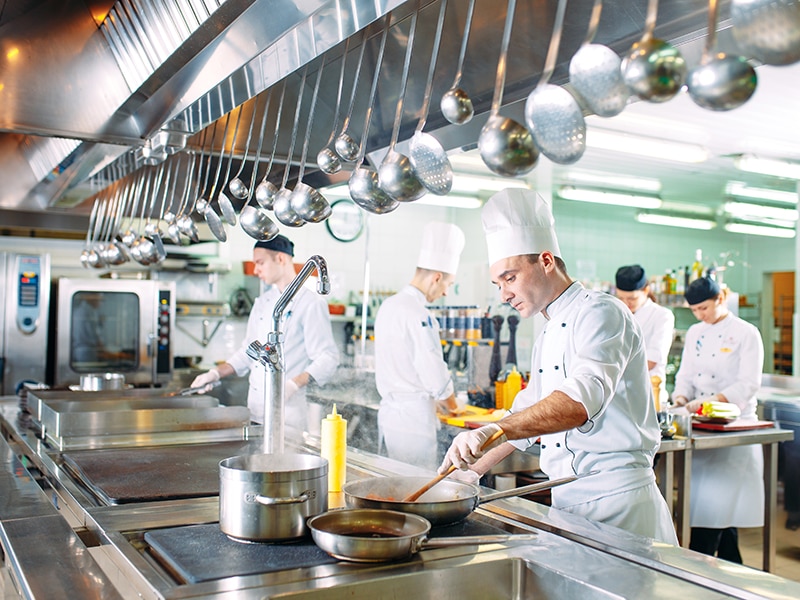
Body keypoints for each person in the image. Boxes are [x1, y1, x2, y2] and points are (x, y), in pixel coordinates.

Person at [438, 188, 678, 545]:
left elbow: (577, 404)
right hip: (571, 504)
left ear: (546, 260)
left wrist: (494, 430)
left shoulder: (602, 312)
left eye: (510, 277)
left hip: (619, 508)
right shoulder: (549, 330)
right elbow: (528, 415)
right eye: (497, 283)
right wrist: (467, 471)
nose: (503, 294)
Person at [192, 236, 339, 430]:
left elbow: (328, 358)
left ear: (280, 259)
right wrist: (215, 373)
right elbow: (248, 352)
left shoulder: (310, 303)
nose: (255, 270)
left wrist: (292, 385)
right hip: (255, 411)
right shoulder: (262, 303)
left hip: (288, 416)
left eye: (260, 263)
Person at [672, 276, 764, 562]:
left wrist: (713, 402)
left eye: (704, 308)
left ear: (720, 299)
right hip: (701, 431)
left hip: (732, 430)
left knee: (717, 514)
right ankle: (729, 573)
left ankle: (701, 574)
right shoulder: (695, 333)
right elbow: (685, 375)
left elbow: (749, 382)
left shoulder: (746, 332)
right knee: (711, 514)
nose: (700, 315)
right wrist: (681, 398)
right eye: (695, 310)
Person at [374, 221, 466, 470]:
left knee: (393, 487)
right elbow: (433, 368)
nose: (446, 292)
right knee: (415, 491)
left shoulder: (389, 305)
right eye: (448, 284)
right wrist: (453, 406)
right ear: (437, 278)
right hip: (413, 424)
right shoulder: (419, 313)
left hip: (392, 418)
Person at [615, 265, 675, 404]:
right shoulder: (616, 313)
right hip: (617, 393)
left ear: (646, 290)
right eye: (621, 298)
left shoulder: (662, 316)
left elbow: (652, 359)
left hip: (648, 394)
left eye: (632, 298)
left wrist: (612, 369)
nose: (626, 303)